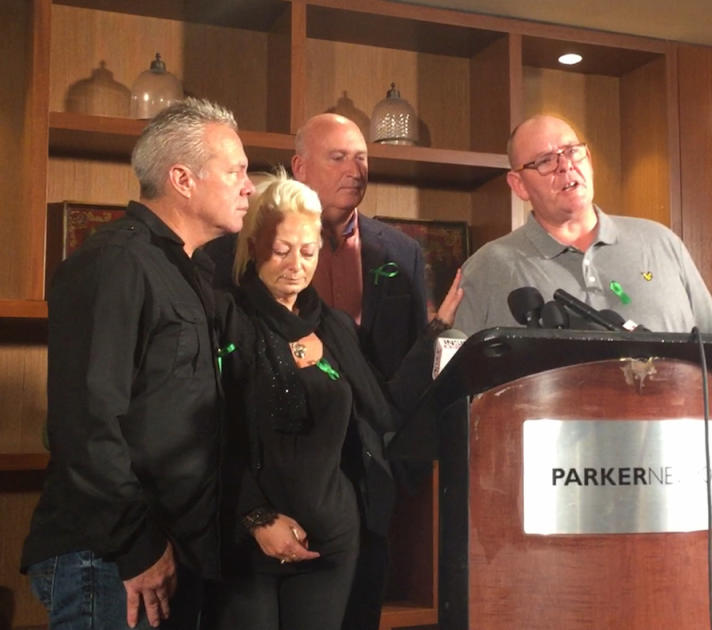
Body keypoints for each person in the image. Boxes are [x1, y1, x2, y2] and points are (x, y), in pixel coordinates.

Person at [20, 98, 255, 629]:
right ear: (183, 179)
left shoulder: (191, 272)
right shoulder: (115, 262)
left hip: (169, 555)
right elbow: (85, 425)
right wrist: (138, 547)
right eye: (235, 171)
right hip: (110, 562)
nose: (249, 186)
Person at [211, 171, 461, 630]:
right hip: (249, 541)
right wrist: (257, 517)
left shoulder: (335, 326)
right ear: (252, 247)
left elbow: (383, 408)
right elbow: (213, 432)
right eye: (282, 249)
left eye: (308, 252)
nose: (296, 264)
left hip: (334, 541)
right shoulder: (227, 321)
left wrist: (435, 333)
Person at [290, 112, 431, 630]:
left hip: (372, 470)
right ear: (299, 167)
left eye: (362, 157)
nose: (356, 169)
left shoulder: (401, 252)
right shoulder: (250, 246)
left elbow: (416, 356)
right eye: (339, 157)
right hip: (288, 466)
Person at [454, 114, 712, 335]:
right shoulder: (488, 267)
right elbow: (456, 385)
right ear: (519, 185)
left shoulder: (661, 243)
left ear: (589, 160)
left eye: (572, 152)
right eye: (545, 161)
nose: (565, 166)